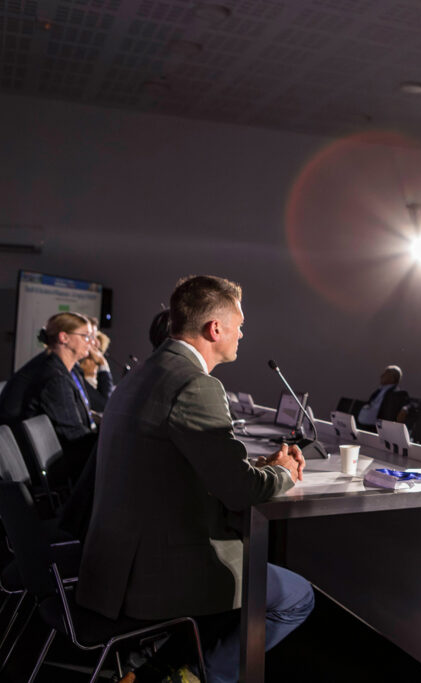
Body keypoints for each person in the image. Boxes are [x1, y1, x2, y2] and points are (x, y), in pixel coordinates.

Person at [76, 275, 314, 683]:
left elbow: (176, 462)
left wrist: (255, 466)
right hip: (155, 571)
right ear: (214, 328)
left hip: (111, 562)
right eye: (238, 323)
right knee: (296, 597)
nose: (243, 332)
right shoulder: (196, 384)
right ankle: (195, 677)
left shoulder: (144, 372)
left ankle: (161, 669)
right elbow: (241, 493)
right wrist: (283, 472)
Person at [0, 311, 100, 481]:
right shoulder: (53, 377)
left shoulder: (62, 369)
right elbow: (73, 436)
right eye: (85, 336)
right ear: (64, 338)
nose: (91, 342)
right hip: (40, 470)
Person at [356, 364, 407, 429]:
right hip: (364, 423)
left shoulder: (398, 393)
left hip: (379, 427)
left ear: (392, 377)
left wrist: (405, 409)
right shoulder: (378, 391)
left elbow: (409, 404)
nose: (381, 376)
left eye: (385, 374)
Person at [75, 325, 114, 412]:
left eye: (97, 350)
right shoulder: (74, 374)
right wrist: (102, 363)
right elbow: (103, 404)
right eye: (89, 337)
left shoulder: (98, 382)